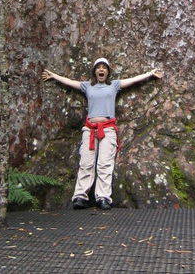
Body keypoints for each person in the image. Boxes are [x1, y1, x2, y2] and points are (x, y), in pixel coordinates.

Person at [42, 58, 163, 210]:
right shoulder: (87, 86)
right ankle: (80, 196)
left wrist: (150, 74)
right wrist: (54, 76)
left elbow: (132, 80)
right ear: (94, 71)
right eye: (98, 67)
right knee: (86, 163)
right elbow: (70, 82)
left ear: (107, 72)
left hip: (107, 129)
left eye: (104, 68)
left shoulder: (114, 85)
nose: (101, 70)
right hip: (90, 129)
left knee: (105, 164)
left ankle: (103, 197)